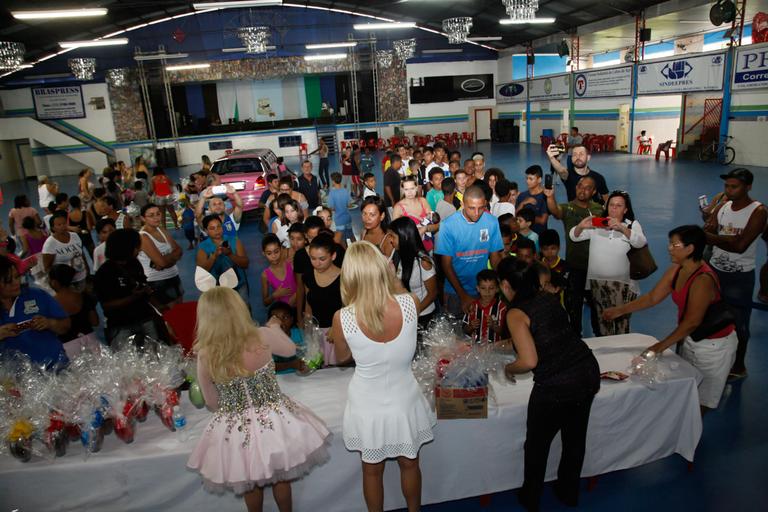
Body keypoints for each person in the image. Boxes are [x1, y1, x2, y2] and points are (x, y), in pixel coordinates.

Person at [187, 287, 330, 512]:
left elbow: (211, 401)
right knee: (281, 476)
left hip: (236, 426)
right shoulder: (261, 335)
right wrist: (274, 327)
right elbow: (291, 349)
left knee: (249, 483)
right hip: (274, 418)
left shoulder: (205, 353)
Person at [330, 241, 435, 512]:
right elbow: (400, 294)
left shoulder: (343, 318)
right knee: (410, 463)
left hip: (367, 400)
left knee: (371, 470)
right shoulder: (410, 303)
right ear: (382, 268)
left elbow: (341, 358)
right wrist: (392, 277)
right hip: (404, 395)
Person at [498, 258, 600, 511]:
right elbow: (543, 335)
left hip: (556, 385)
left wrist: (508, 368)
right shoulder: (546, 298)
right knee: (574, 439)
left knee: (537, 444)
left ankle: (531, 497)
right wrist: (494, 347)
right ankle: (568, 492)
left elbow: (529, 360)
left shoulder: (515, 312)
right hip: (586, 371)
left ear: (505, 285)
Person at [604, 225, 737, 411]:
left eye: (674, 245)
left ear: (690, 249)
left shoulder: (702, 280)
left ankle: (691, 436)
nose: (669, 248)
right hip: (690, 339)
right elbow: (653, 297)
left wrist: (657, 348)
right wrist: (620, 310)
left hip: (713, 347)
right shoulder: (677, 269)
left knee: (701, 402)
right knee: (687, 391)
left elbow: (692, 322)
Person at [704, 168, 767, 381]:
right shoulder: (722, 206)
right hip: (714, 270)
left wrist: (714, 238)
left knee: (739, 323)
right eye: (726, 186)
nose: (728, 191)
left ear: (747, 187)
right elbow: (709, 230)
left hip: (739, 276)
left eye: (734, 187)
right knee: (709, 315)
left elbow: (741, 246)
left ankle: (739, 366)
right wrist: (720, 237)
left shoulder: (758, 212)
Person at [570, 190, 646, 336]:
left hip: (622, 285)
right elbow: (574, 236)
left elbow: (640, 242)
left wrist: (622, 228)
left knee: (621, 323)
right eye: (611, 205)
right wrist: (581, 226)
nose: (614, 208)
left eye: (619, 205)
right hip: (597, 284)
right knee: (603, 321)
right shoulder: (598, 224)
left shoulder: (631, 225)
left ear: (626, 209)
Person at [545, 177, 604, 336]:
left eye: (587, 187)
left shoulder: (599, 210)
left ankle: (599, 337)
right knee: (574, 307)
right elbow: (555, 210)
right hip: (575, 267)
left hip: (596, 268)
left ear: (593, 192)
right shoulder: (568, 208)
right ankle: (576, 338)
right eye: (579, 186)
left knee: (597, 308)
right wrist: (550, 196)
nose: (582, 190)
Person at [435, 185, 503, 316]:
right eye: (471, 208)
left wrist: (501, 282)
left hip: (483, 289)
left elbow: (495, 257)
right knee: (455, 333)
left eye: (481, 208)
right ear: (462, 204)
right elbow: (446, 265)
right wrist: (463, 295)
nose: (476, 213)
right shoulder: (448, 225)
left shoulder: (492, 222)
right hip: (455, 291)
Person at [95, 229, 163, 348]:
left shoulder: (135, 263)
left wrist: (158, 306)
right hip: (121, 324)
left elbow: (142, 283)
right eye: (136, 247)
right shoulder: (105, 272)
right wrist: (133, 297)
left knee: (156, 353)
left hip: (145, 317)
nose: (139, 249)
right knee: (128, 362)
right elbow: (107, 305)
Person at [0, 256, 70, 368]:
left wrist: (49, 323)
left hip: (58, 370)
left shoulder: (36, 295)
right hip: (18, 381)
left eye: (17, 277)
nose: (15, 283)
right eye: (8, 281)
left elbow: (65, 325)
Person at [388, 218, 438, 329]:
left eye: (393, 236)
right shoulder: (396, 254)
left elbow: (433, 293)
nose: (390, 240)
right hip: (406, 314)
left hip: (423, 316)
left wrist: (415, 310)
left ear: (404, 237)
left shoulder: (423, 262)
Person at [302, 234, 342, 366]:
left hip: (337, 333)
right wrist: (308, 328)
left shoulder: (344, 277)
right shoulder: (308, 275)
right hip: (317, 333)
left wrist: (337, 328)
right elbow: (308, 302)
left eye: (322, 259)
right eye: (312, 258)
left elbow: (350, 308)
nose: (316, 263)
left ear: (333, 256)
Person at [137, 204, 184, 308]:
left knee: (180, 310)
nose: (156, 217)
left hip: (173, 275)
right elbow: (162, 262)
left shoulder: (160, 229)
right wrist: (170, 259)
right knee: (169, 315)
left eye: (158, 214)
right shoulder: (143, 237)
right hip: (157, 281)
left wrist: (165, 261)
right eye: (151, 215)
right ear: (143, 218)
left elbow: (179, 250)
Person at [197, 214, 249, 302]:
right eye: (212, 228)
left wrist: (230, 255)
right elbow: (202, 271)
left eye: (218, 226)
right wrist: (214, 256)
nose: (217, 230)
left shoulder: (234, 241)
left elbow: (245, 264)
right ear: (206, 231)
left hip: (239, 285)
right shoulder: (203, 247)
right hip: (217, 289)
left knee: (243, 311)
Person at [49, 264, 99, 347]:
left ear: (54, 282)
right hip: (90, 340)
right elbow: (95, 322)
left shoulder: (51, 303)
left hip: (68, 345)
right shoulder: (84, 296)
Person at [41, 212, 88, 292]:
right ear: (53, 227)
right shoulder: (49, 244)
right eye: (59, 225)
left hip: (82, 276)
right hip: (67, 283)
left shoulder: (74, 236)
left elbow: (81, 254)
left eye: (64, 223)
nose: (62, 226)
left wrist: (87, 270)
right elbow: (47, 268)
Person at [393, 176, 438, 252]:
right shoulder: (398, 207)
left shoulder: (423, 201)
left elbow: (435, 224)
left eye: (412, 188)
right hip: (410, 249)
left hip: (427, 246)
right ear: (402, 190)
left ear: (416, 188)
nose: (410, 192)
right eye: (406, 189)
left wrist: (425, 228)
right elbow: (394, 233)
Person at [462, 269, 507, 344]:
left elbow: (505, 333)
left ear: (497, 289)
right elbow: (464, 329)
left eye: (491, 288)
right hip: (475, 349)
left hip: (496, 349)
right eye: (483, 288)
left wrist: (493, 326)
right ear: (478, 289)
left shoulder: (502, 307)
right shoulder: (472, 306)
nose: (487, 292)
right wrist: (471, 326)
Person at [268, 301, 306, 374]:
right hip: (278, 379)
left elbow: (309, 357)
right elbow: (266, 367)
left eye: (285, 317)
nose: (281, 322)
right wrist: (291, 364)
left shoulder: (300, 334)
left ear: (292, 319)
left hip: (300, 377)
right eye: (276, 319)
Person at [261, 234, 297, 307]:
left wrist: (296, 296)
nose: (274, 256)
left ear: (281, 249)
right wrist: (275, 295)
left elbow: (303, 285)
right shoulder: (265, 275)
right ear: (263, 254)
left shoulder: (291, 264)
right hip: (283, 310)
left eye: (276, 252)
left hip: (300, 305)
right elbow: (265, 302)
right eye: (269, 253)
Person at [516, 165, 549, 235]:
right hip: (523, 236)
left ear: (539, 180)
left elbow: (543, 220)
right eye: (527, 178)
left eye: (531, 179)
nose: (527, 181)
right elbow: (516, 215)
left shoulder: (545, 197)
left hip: (539, 235)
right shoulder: (522, 196)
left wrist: (526, 218)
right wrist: (523, 203)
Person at [327, 172, 356, 243]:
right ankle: (357, 250)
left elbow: (331, 207)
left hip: (339, 220)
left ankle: (344, 253)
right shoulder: (345, 191)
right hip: (347, 218)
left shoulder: (332, 193)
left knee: (341, 240)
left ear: (333, 181)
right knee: (351, 236)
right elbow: (349, 204)